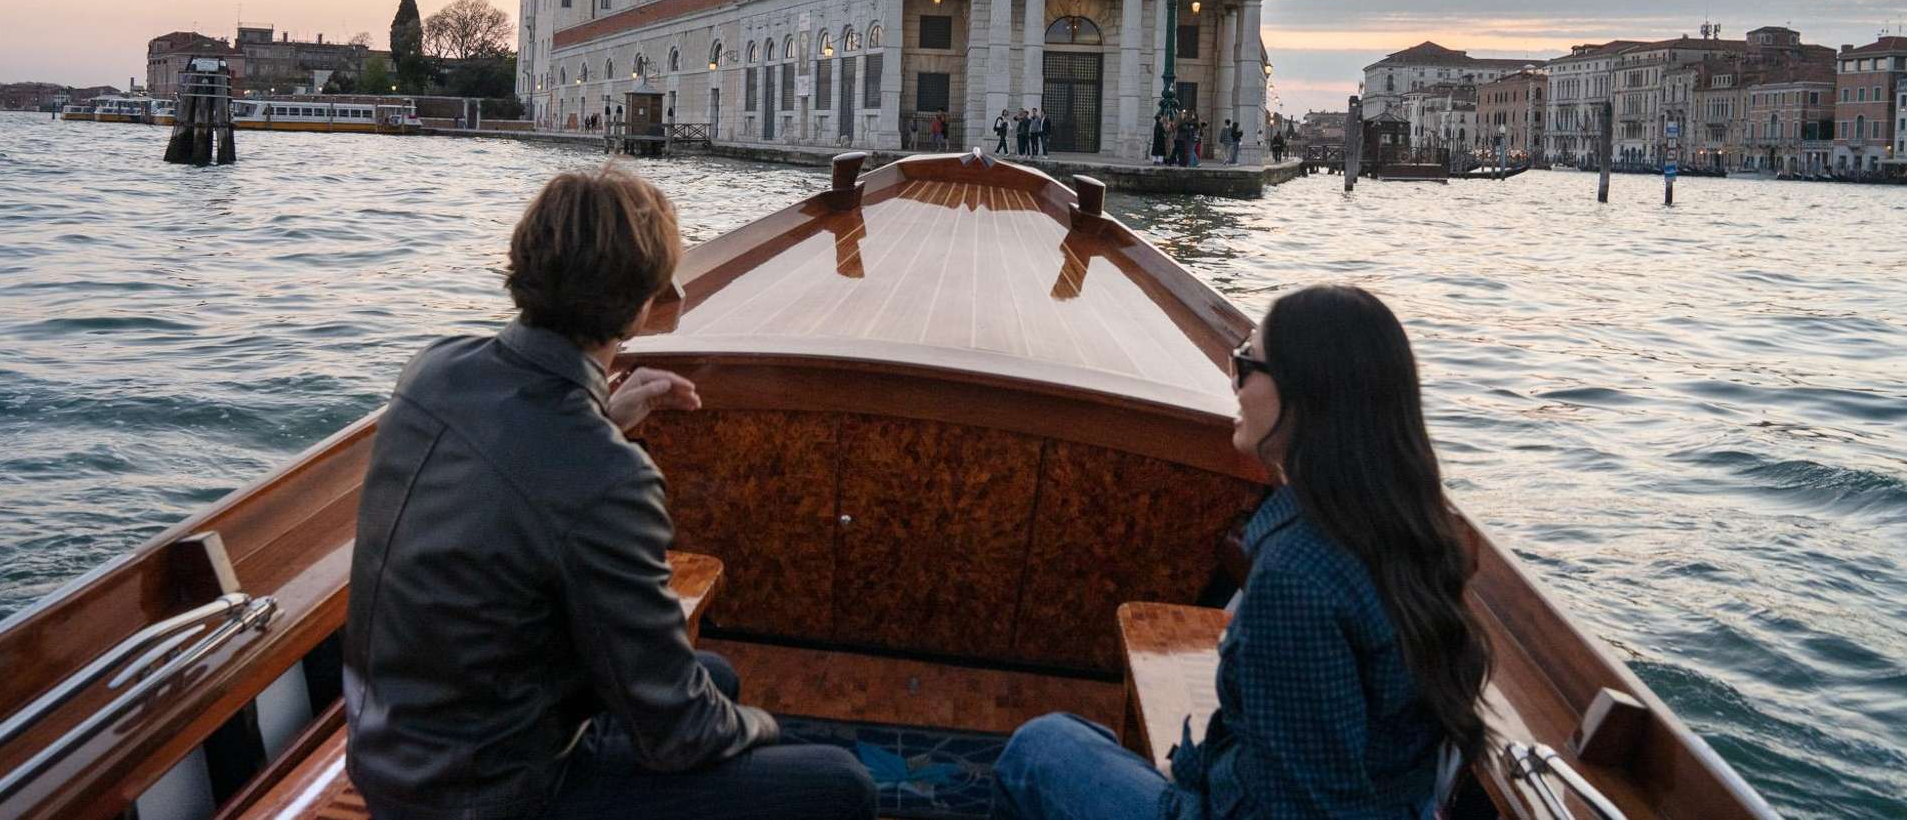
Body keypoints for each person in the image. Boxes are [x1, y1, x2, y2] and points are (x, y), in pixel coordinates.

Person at [345, 168, 877, 820]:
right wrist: (766, 729)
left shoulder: (433, 370)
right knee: (838, 784)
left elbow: (529, 458)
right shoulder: (609, 478)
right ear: (642, 307)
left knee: (716, 676)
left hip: (393, 755)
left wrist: (601, 418)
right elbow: (679, 732)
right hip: (496, 798)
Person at [994, 284, 1493, 820]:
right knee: (1080, 736)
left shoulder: (1297, 579)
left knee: (1038, 748)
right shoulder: (1412, 531)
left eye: (1244, 364)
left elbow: (1304, 807)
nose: (1232, 382)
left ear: (1304, 396)